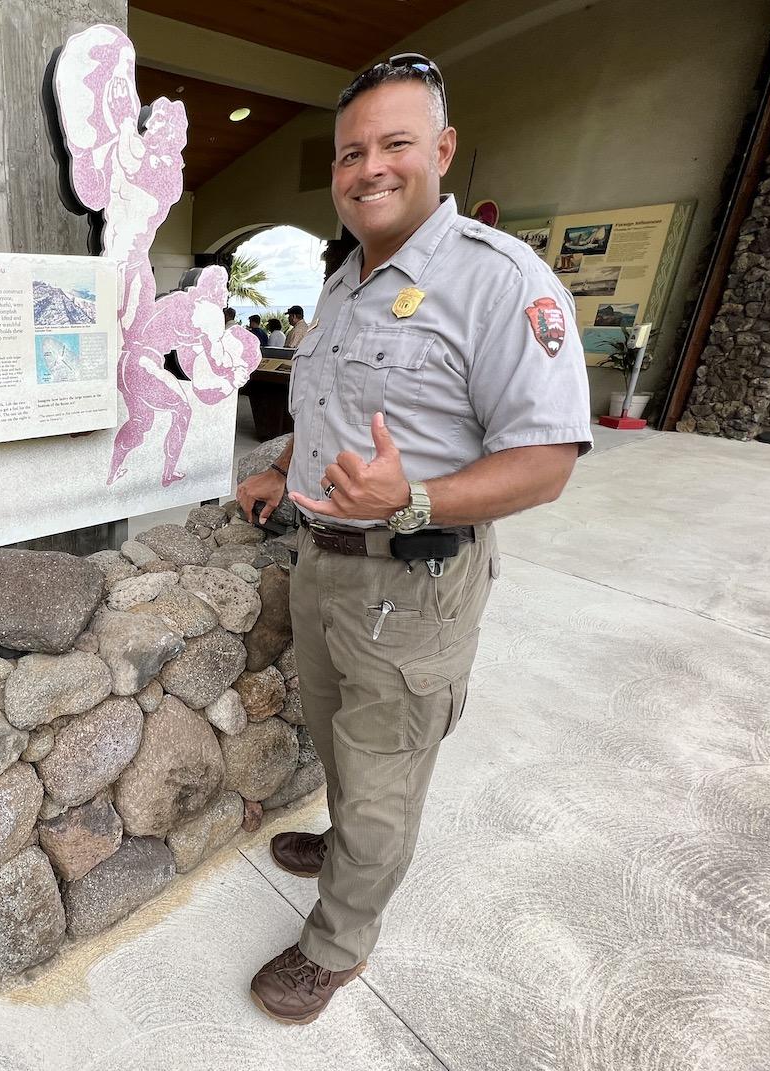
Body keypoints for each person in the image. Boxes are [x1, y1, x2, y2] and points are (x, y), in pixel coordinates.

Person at [234, 53, 592, 1025]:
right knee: (343, 736)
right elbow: (333, 411)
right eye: (352, 152)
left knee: (386, 772)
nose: (370, 168)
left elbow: (549, 459)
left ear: (441, 150)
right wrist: (281, 468)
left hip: (415, 579)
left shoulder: (499, 281)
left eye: (395, 144)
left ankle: (338, 941)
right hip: (322, 562)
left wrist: (417, 496)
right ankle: (351, 840)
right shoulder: (342, 281)